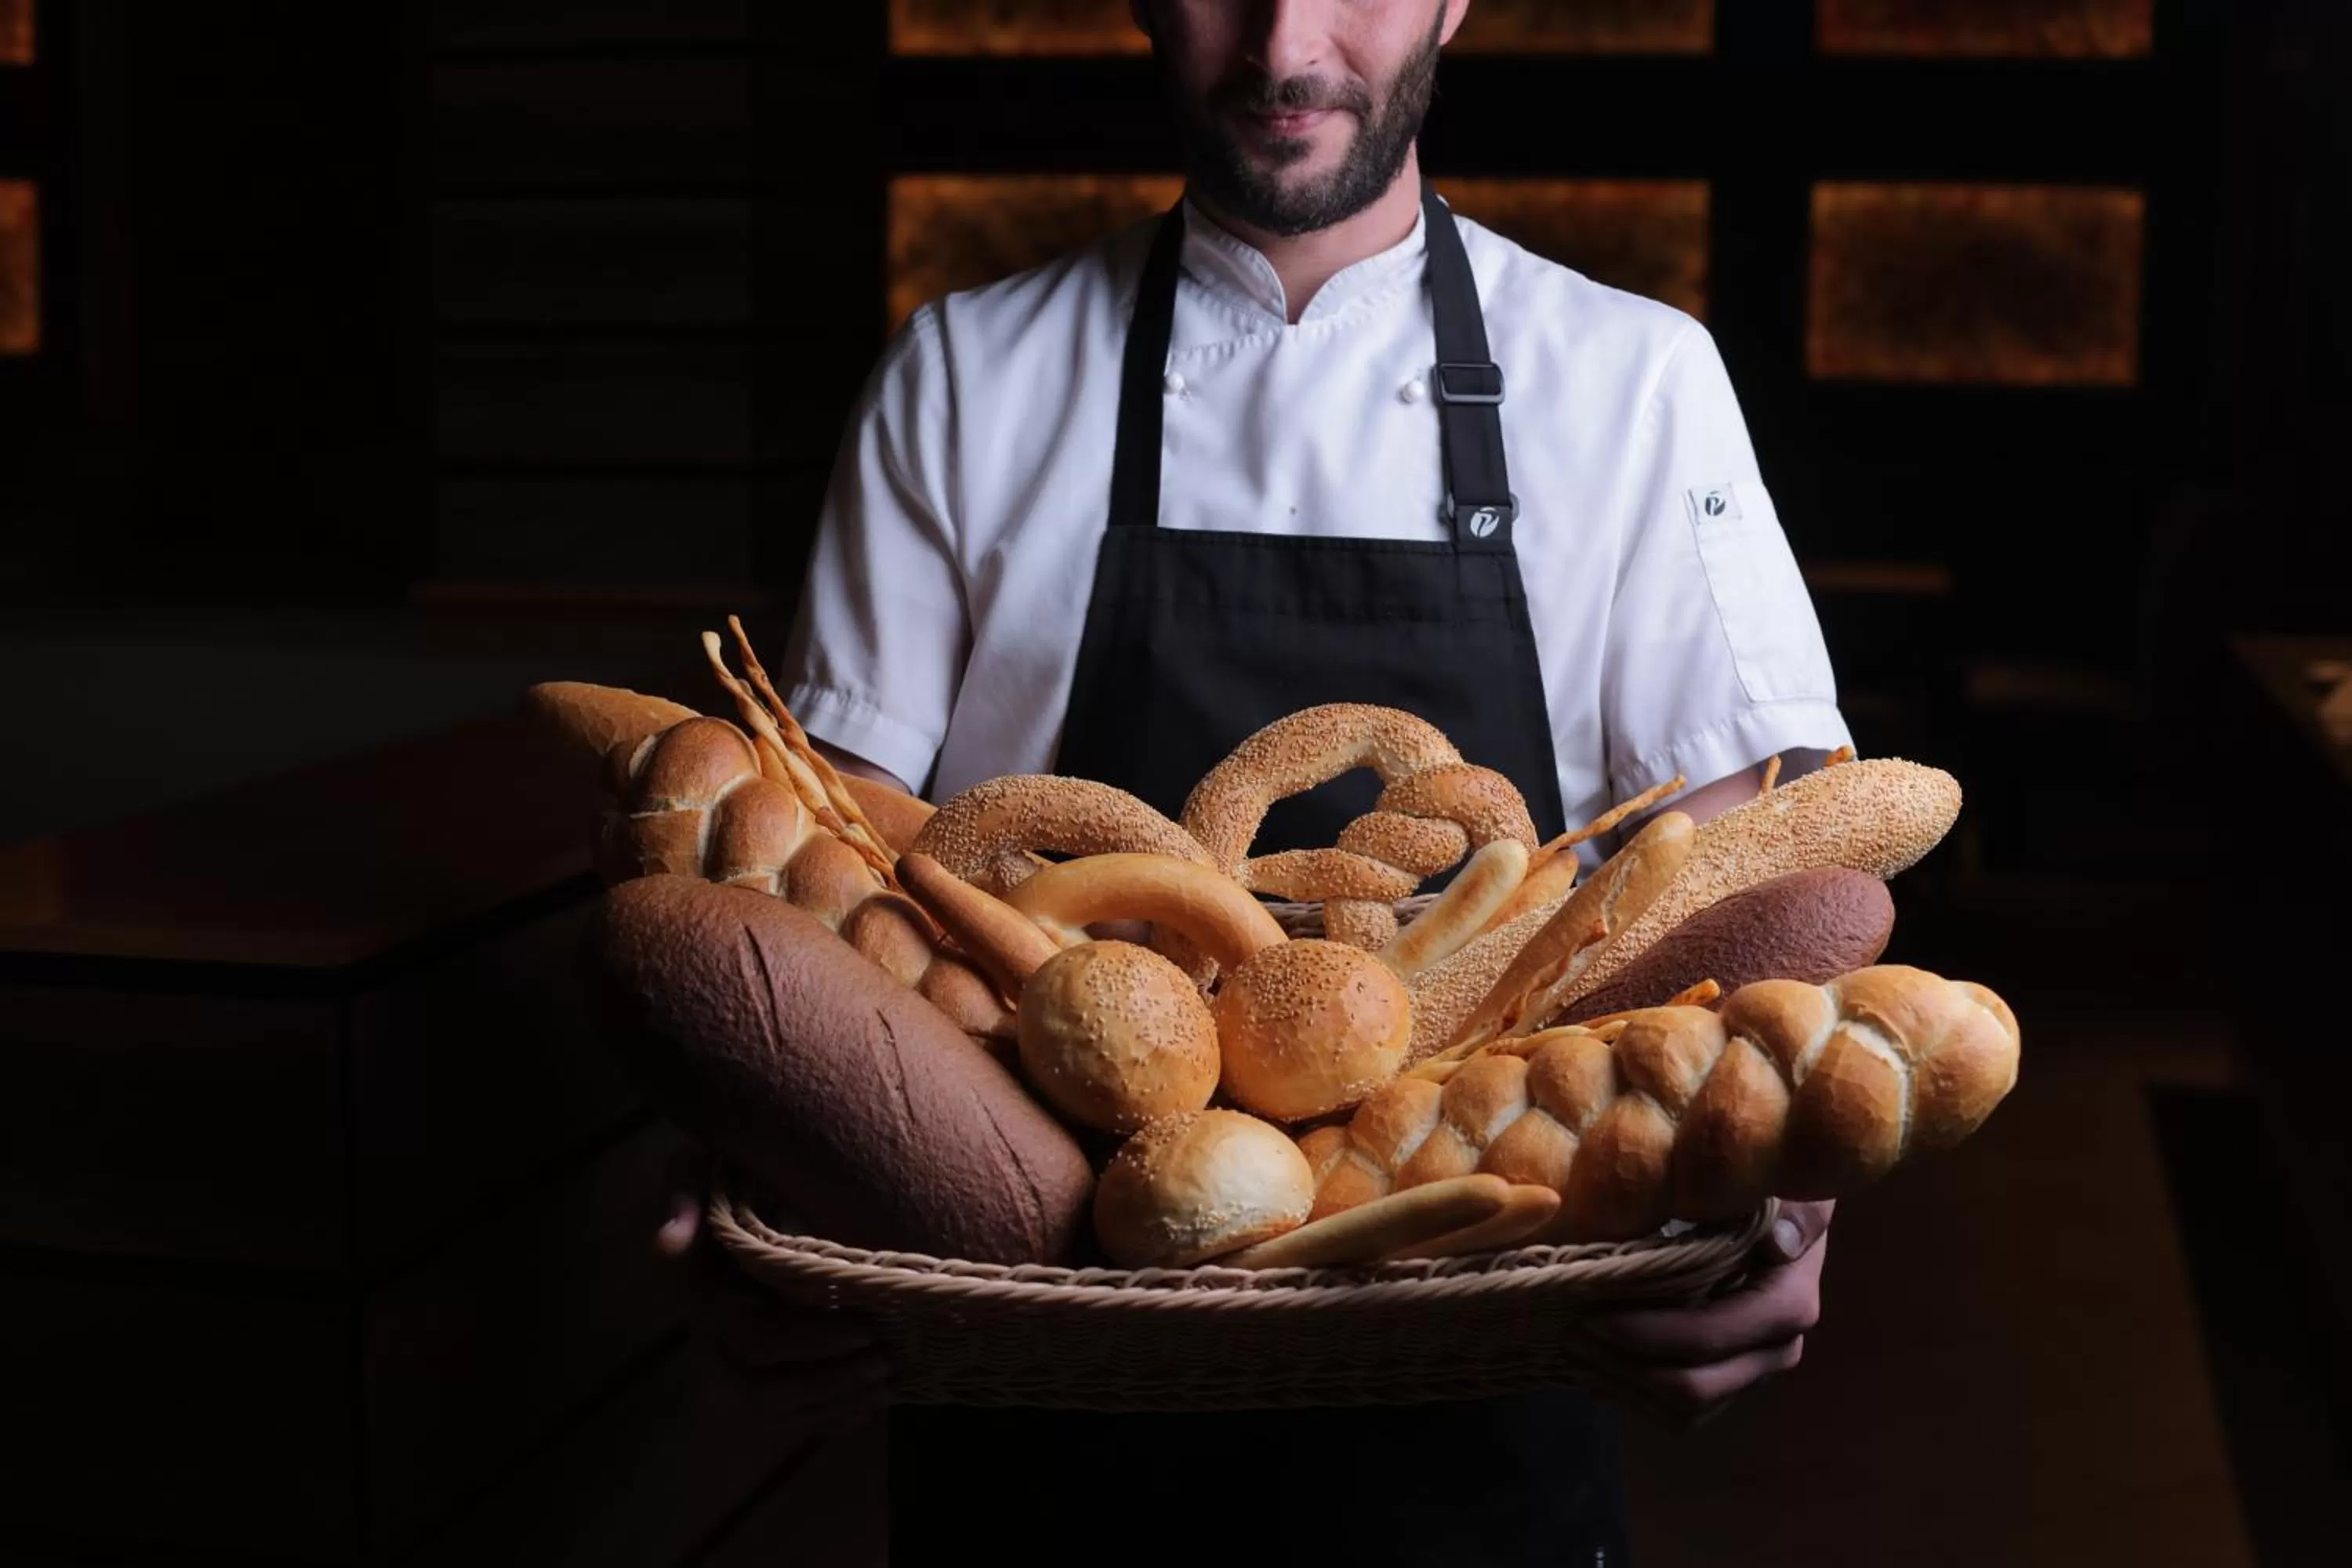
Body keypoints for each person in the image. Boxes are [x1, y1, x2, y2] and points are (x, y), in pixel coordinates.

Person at [659, 1, 1849, 1561]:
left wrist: (1785, 1199)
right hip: (1036, 1383)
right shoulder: (963, 375)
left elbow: (1739, 873)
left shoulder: (1632, 383)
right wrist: (758, 1166)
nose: (1286, 39)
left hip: (1472, 1355)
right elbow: (817, 870)